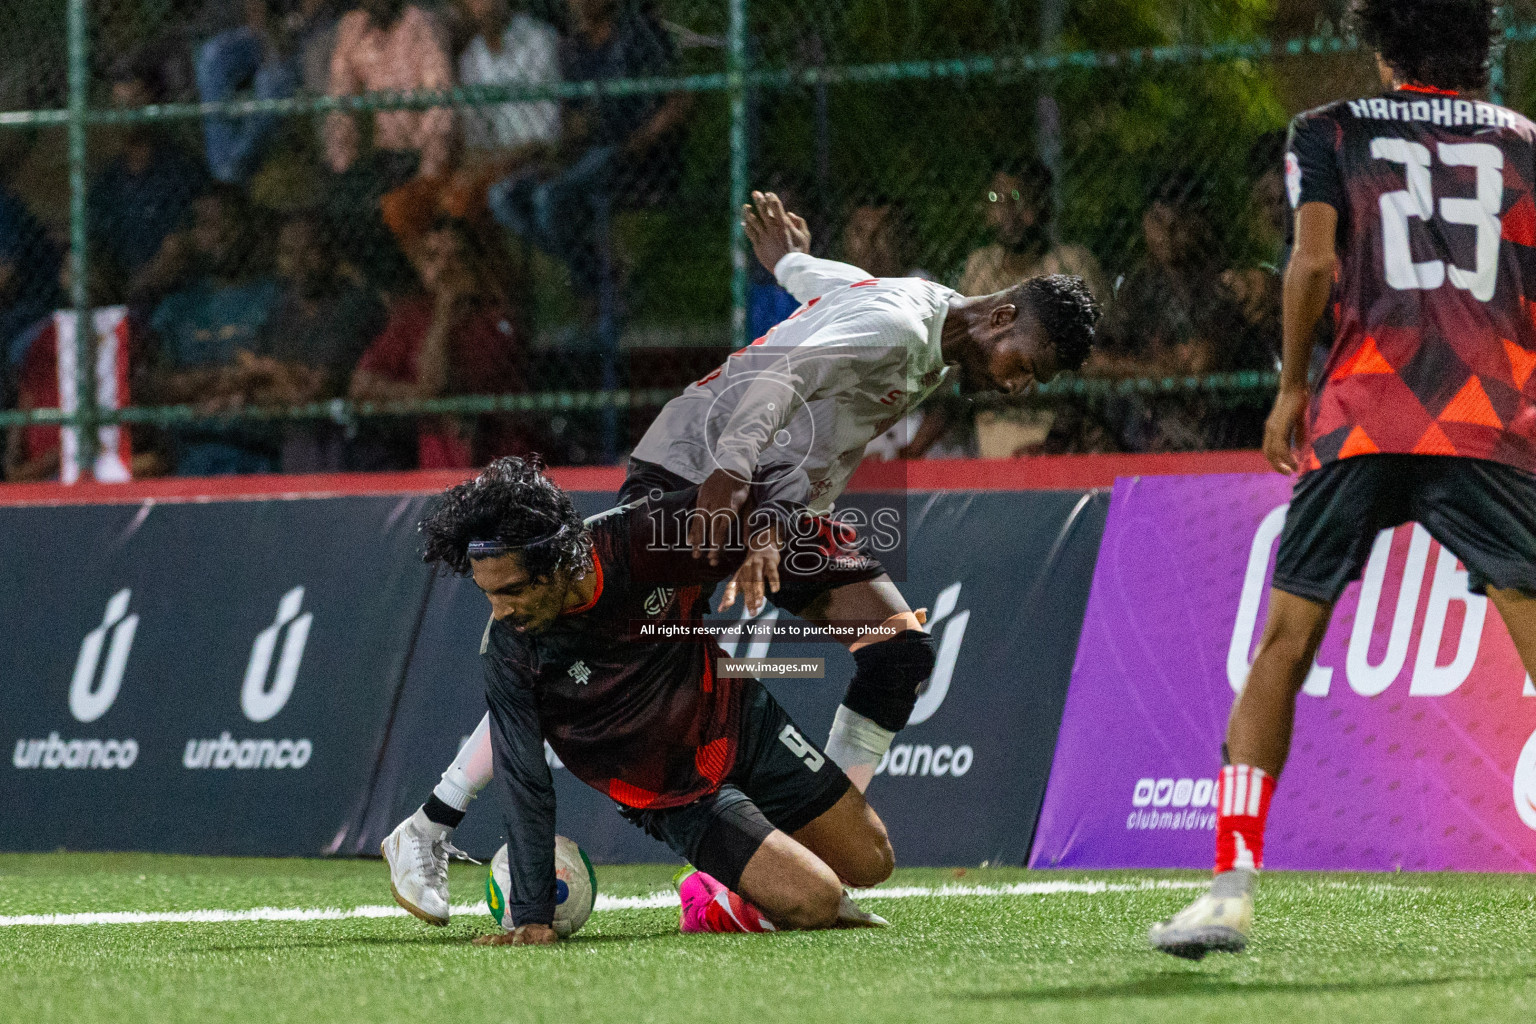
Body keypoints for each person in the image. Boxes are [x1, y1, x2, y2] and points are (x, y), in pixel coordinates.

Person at [381, 190, 1100, 924]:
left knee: (898, 650)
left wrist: (788, 260)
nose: (1017, 384)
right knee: (573, 651)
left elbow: (836, 290)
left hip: (776, 500)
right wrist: (726, 481)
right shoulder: (897, 326)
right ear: (1004, 315)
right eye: (1026, 365)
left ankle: (803, 852)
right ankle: (431, 823)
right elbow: (778, 375)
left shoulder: (923, 310)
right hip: (700, 469)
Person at [1150, 0, 1536, 959]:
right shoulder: (1526, 142)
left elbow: (1312, 262)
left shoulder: (1329, 131)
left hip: (1362, 412)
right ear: (1481, 44)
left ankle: (1230, 891)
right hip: (1491, 417)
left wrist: (1289, 386)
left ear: (1378, 41)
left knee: (1284, 640)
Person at [400, 456, 895, 942]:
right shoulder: (510, 650)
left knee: (872, 861)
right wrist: (533, 914)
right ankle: (711, 899)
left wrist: (764, 537)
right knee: (817, 901)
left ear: (555, 565)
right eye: (488, 594)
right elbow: (524, 779)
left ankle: (748, 868)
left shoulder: (640, 537)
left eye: (511, 590)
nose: (500, 610)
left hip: (742, 720)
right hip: (674, 793)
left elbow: (771, 485)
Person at [487, 0, 691, 297]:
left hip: (636, 158)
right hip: (586, 158)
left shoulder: (639, 35)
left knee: (549, 199)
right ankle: (604, 274)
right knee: (504, 197)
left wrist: (640, 140)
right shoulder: (572, 49)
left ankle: (602, 290)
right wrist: (561, 155)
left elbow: (680, 100)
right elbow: (573, 122)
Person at [350, 217, 532, 469]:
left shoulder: (495, 320)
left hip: (497, 467)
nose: (445, 268)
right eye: (433, 257)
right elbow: (361, 385)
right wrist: (417, 396)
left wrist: (444, 311)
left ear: (474, 266)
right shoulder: (412, 316)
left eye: (456, 257)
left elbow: (437, 384)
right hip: (437, 470)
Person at [144, 186, 284, 476]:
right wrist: (217, 380)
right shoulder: (176, 307)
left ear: (244, 228)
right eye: (206, 225)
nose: (217, 235)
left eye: (225, 223)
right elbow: (155, 383)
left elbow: (283, 374)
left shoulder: (276, 298)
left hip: (261, 455)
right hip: (192, 456)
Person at [248, 211, 386, 472]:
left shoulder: (356, 306)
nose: (298, 262)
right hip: (296, 449)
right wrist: (282, 380)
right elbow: (251, 386)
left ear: (331, 252)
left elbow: (320, 388)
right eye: (289, 253)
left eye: (309, 250)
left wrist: (272, 373)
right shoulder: (281, 312)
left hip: (351, 448)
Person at [89, 51, 209, 300]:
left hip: (179, 297)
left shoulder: (183, 170)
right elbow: (94, 249)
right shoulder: (106, 182)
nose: (124, 116)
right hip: (118, 297)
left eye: (134, 104)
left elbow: (180, 251)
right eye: (118, 106)